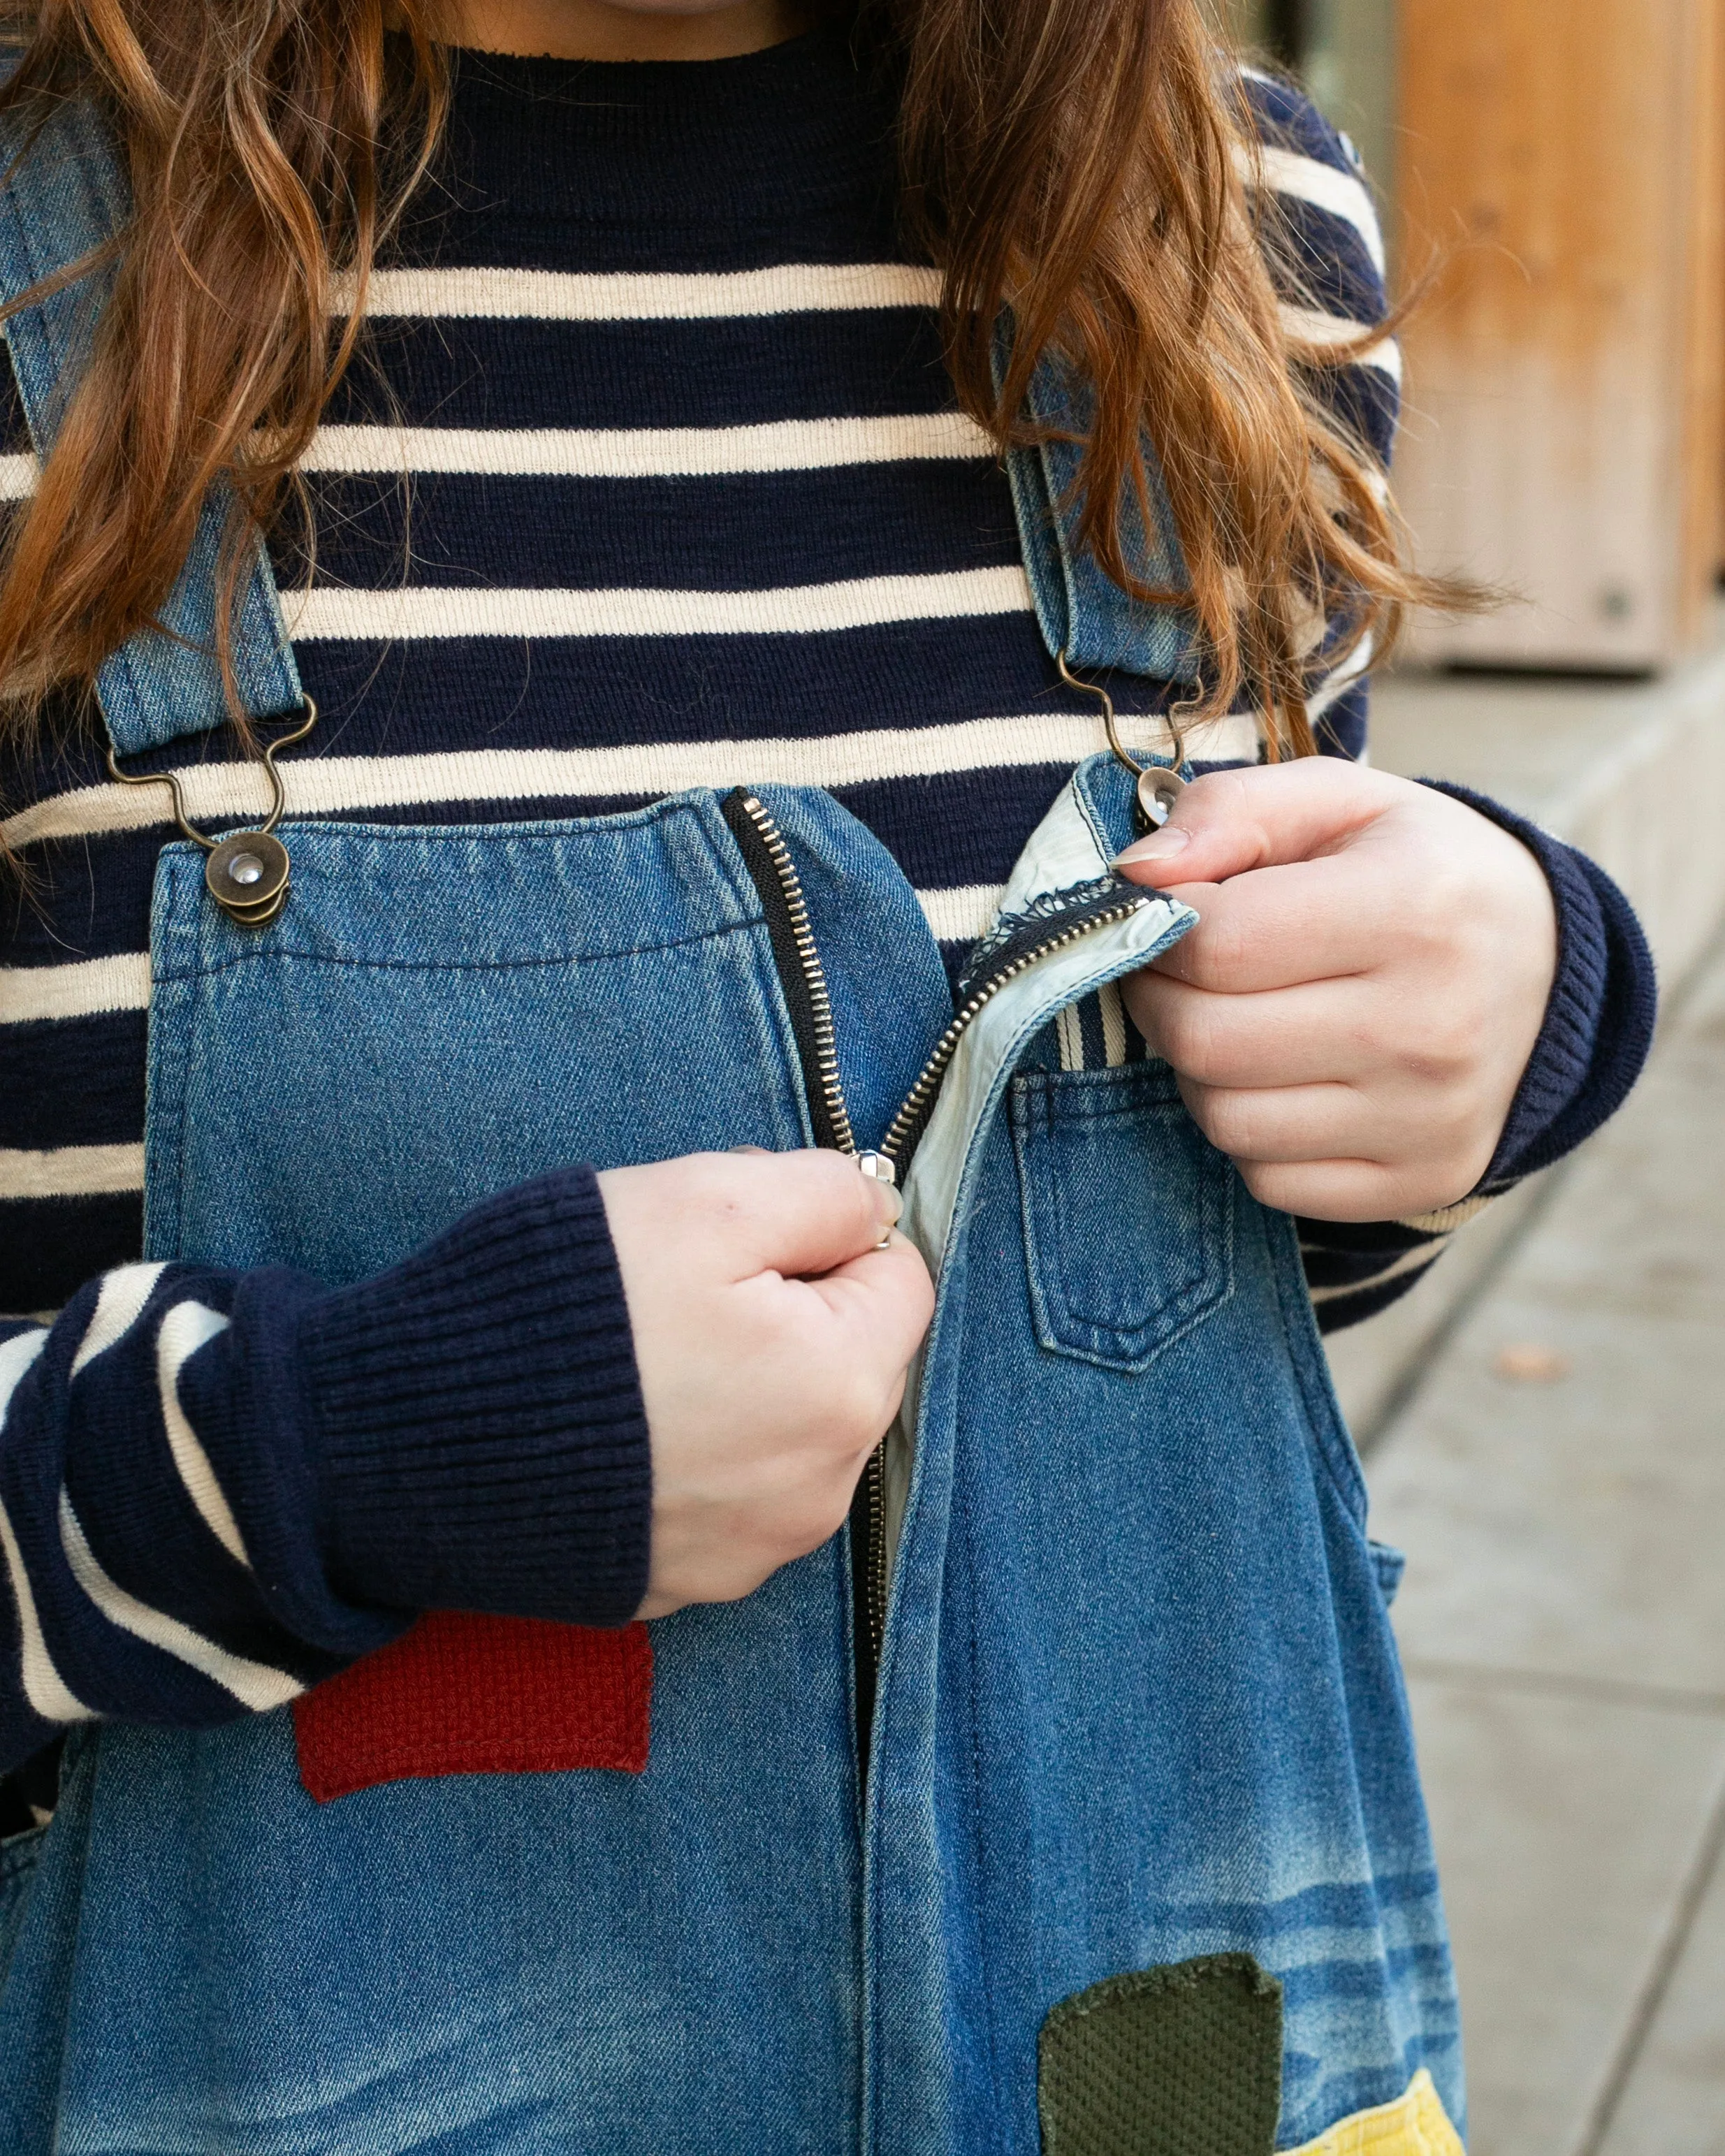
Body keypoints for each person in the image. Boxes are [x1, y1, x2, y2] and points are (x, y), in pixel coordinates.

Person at [0, 1, 1653, 2150]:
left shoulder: (1224, 236)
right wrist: (325, 1458)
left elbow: (1203, 1325)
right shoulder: (39, 280)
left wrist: (1502, 1013)